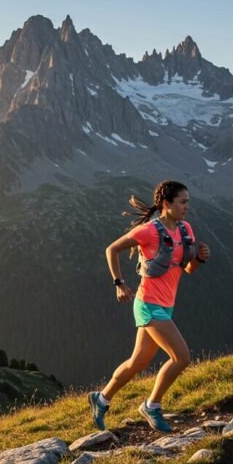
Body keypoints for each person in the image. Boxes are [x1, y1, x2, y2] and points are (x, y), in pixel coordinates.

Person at [88, 180, 211, 432]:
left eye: (188, 201)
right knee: (181, 357)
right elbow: (112, 249)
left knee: (138, 362)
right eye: (183, 202)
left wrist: (198, 259)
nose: (187, 207)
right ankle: (151, 405)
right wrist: (119, 283)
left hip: (166, 305)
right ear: (167, 204)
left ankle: (100, 399)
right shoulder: (149, 231)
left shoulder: (185, 230)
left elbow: (186, 269)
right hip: (148, 304)